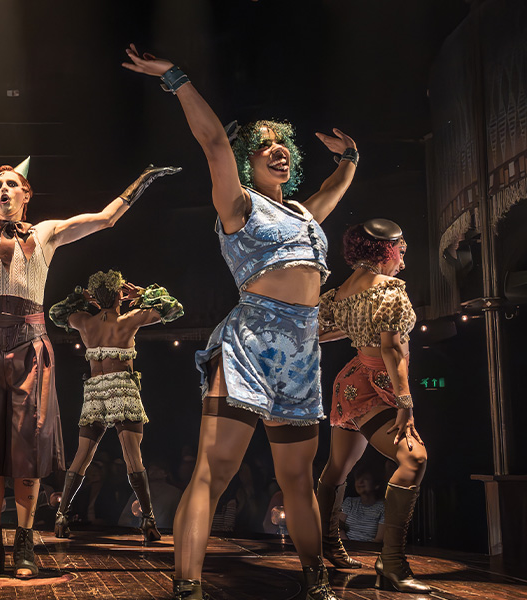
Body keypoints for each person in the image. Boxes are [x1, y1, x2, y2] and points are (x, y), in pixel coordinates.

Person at [123, 45, 358, 600]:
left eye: (283, 148)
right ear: (247, 160)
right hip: (251, 344)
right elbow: (211, 141)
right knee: (216, 469)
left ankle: (316, 580)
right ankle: (187, 586)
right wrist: (176, 78)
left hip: (302, 354)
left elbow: (329, 192)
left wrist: (350, 158)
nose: (277, 153)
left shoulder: (301, 213)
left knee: (297, 478)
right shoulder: (239, 205)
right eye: (264, 148)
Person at [0, 151, 178, 578]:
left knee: (28, 445)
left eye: (11, 184)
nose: (4, 190)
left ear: (26, 194)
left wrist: (144, 178)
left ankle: (24, 545)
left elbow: (106, 218)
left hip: (29, 347)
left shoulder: (46, 233)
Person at [316, 219, 429, 593]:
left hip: (352, 382)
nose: (402, 256)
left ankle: (326, 545)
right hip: (372, 388)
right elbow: (392, 348)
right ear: (386, 250)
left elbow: (317, 332)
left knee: (338, 468)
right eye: (401, 249)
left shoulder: (341, 292)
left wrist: (356, 328)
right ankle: (392, 563)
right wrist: (405, 404)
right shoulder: (390, 290)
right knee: (414, 459)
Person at [47, 270, 184, 542]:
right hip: (122, 387)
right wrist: (143, 294)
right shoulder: (129, 319)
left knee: (83, 455)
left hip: (95, 389)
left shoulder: (84, 321)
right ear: (120, 293)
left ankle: (61, 516)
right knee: (133, 455)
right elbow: (173, 308)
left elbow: (56, 313)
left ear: (96, 299)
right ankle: (148, 520)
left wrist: (82, 298)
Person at [338, 470, 384, 543]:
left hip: (369, 550)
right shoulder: (350, 502)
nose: (360, 482)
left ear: (376, 484)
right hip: (346, 546)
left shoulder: (383, 507)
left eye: (365, 479)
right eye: (357, 479)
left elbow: (379, 540)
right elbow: (339, 527)